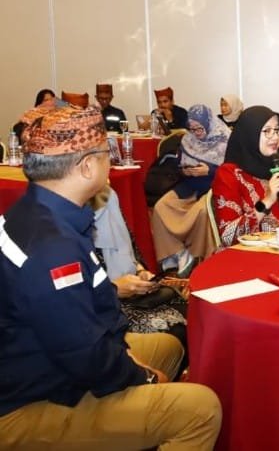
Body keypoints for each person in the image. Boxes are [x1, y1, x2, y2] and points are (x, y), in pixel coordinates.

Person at [0, 103, 221, 449]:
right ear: (87, 166)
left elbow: (84, 327)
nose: (112, 161)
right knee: (202, 409)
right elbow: (82, 354)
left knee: (167, 346)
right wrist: (143, 377)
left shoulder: (36, 212)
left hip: (43, 365)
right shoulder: (54, 248)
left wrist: (126, 359)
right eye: (107, 154)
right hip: (28, 403)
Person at [91, 185, 187, 347]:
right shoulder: (69, 227)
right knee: (175, 329)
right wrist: (115, 289)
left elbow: (130, 249)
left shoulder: (107, 196)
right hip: (105, 309)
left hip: (134, 293)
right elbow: (77, 296)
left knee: (190, 312)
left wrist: (140, 271)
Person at [151, 104, 230, 276]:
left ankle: (198, 257)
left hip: (213, 186)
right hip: (190, 184)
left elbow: (231, 170)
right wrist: (184, 171)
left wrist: (209, 170)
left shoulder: (225, 139)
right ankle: (177, 252)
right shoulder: (187, 139)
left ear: (208, 123)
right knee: (161, 206)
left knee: (201, 212)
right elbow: (177, 165)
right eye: (192, 129)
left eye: (199, 128)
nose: (196, 133)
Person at [211, 106, 279, 246]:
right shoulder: (229, 174)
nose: (275, 137)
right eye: (267, 131)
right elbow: (227, 237)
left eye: (277, 130)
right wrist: (267, 201)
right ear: (250, 134)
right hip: (248, 255)